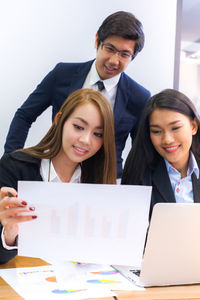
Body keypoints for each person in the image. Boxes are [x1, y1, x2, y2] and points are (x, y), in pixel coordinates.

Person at [4, 11, 150, 178]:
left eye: (124, 54)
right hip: (55, 174)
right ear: (97, 41)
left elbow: (141, 150)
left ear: (133, 57)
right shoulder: (62, 74)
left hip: (104, 181)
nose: (113, 61)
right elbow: (25, 115)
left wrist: (128, 185)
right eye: (110, 49)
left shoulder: (140, 97)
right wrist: (11, 163)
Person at [0, 88, 116, 264]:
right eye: (78, 127)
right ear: (59, 120)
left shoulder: (99, 179)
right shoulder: (14, 167)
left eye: (98, 134)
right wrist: (9, 233)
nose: (86, 140)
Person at [122, 89, 200, 218]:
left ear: (193, 126)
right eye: (157, 131)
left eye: (175, 128)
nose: (167, 140)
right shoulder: (139, 175)